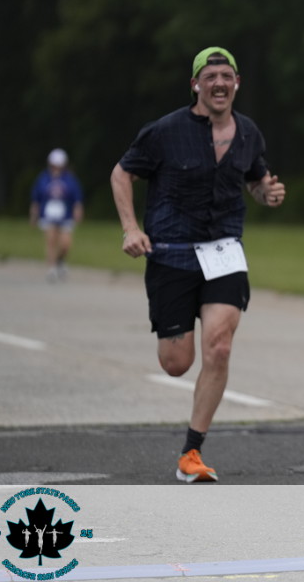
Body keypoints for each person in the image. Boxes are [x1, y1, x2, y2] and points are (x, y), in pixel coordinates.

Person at [110, 47, 286, 483]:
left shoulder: (248, 133)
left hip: (224, 251)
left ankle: (191, 451)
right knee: (176, 362)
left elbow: (255, 180)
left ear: (237, 82)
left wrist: (266, 193)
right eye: (210, 77)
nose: (219, 83)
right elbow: (121, 173)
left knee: (220, 346)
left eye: (226, 76)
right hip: (172, 252)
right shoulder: (164, 131)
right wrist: (131, 229)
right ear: (196, 85)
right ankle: (188, 432)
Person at [29, 149, 84, 281]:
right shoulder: (43, 178)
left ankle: (60, 260)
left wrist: (78, 211)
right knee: (51, 241)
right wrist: (33, 215)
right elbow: (36, 199)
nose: (56, 168)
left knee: (65, 244)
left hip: (66, 215)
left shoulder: (70, 180)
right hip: (47, 214)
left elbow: (77, 198)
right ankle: (52, 268)